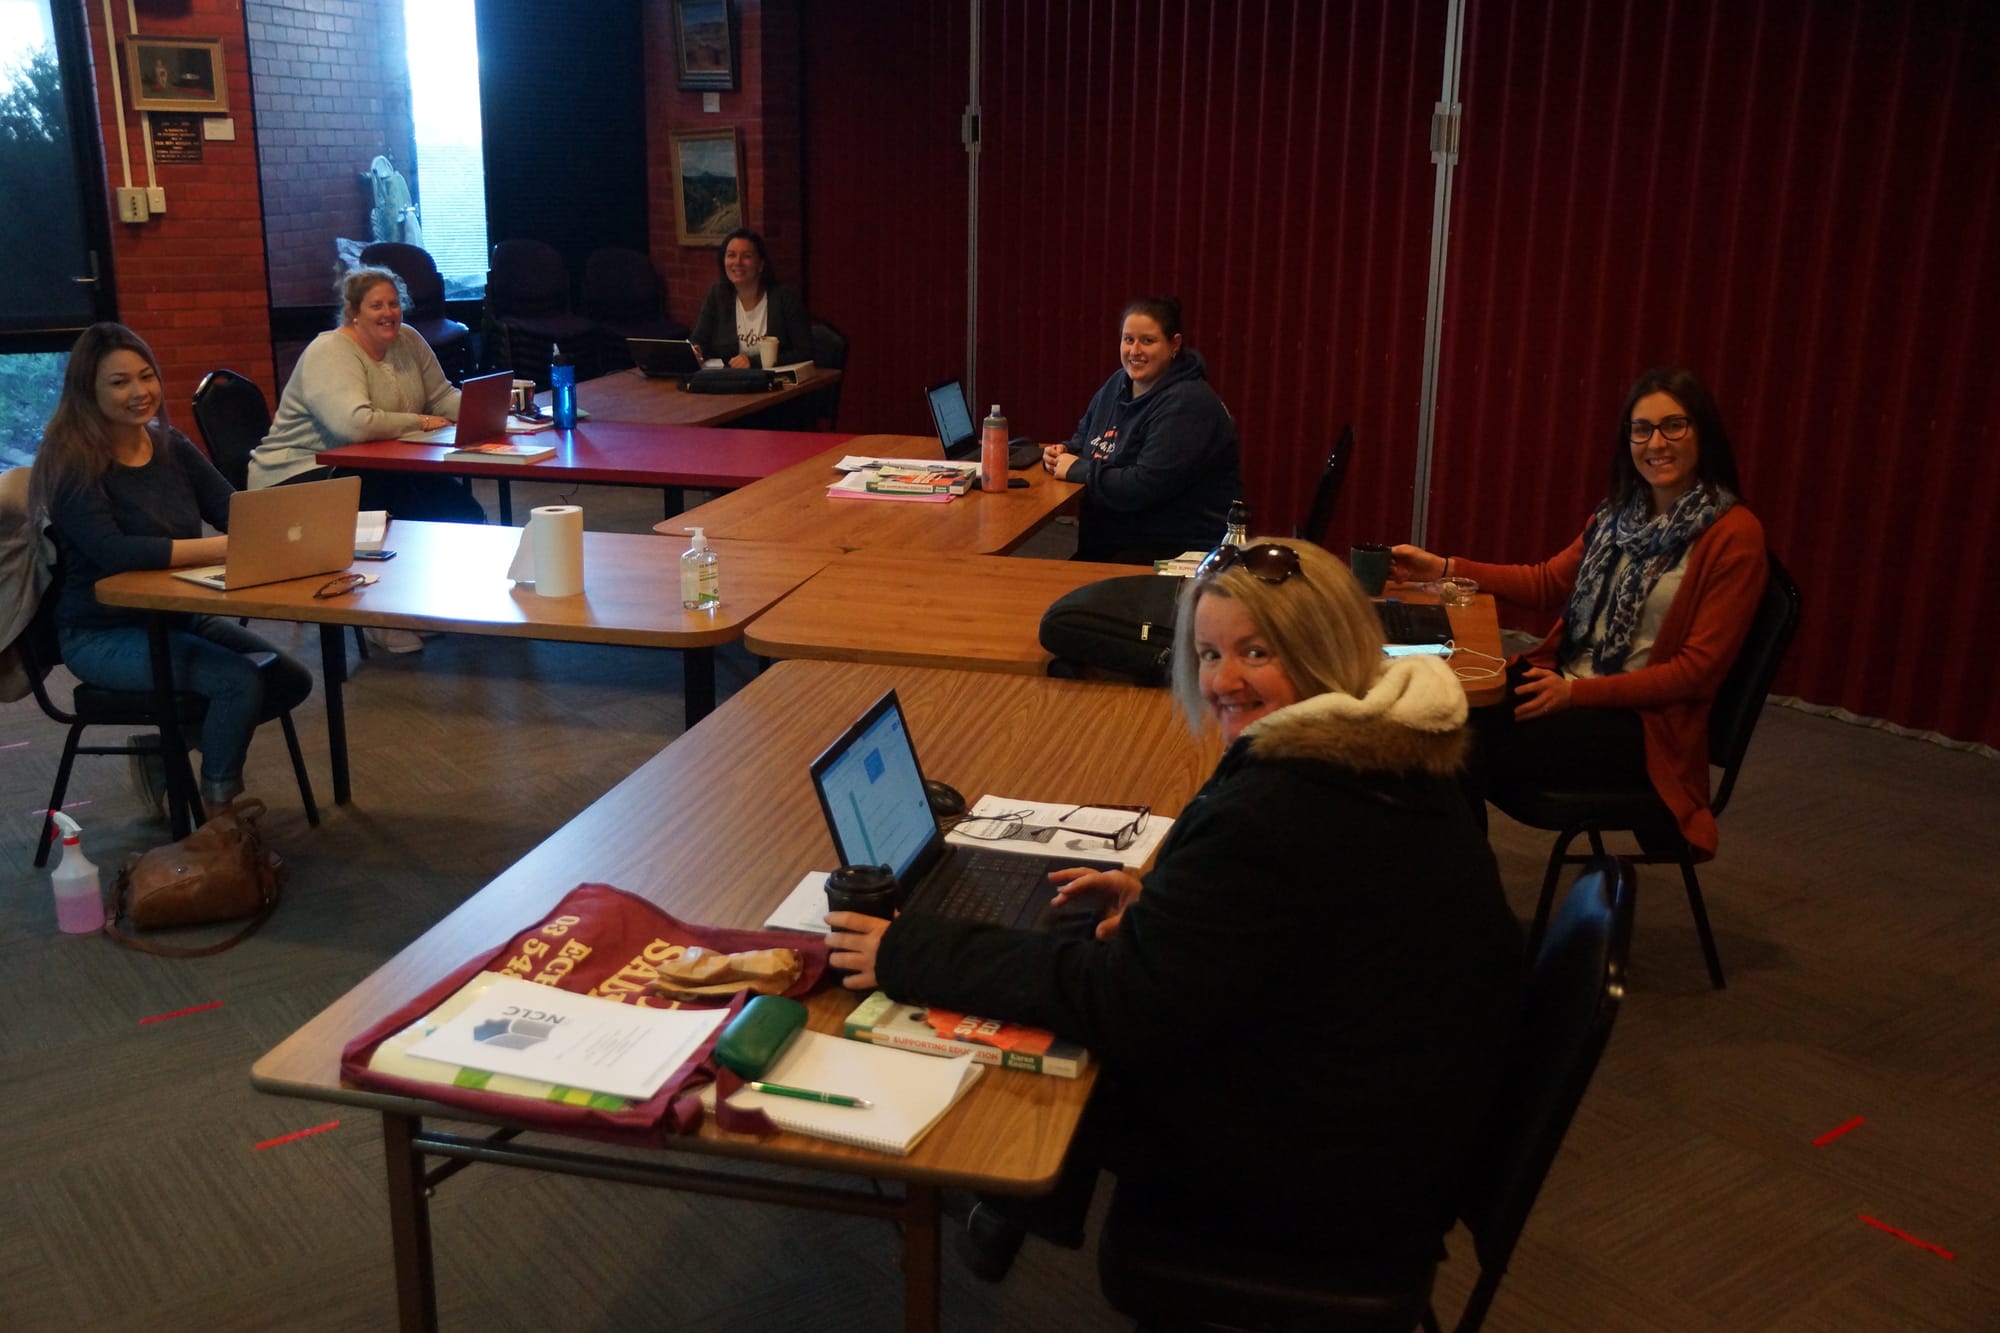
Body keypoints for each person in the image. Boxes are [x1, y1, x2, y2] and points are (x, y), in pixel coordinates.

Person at [827, 538, 1524, 1281]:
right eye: (1207, 654)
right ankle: (1016, 1212)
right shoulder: (1388, 750)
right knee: (1065, 954)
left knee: (1042, 1059)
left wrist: (906, 951)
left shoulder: (1284, 805)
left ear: (1323, 650)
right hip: (1394, 1117)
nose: (1223, 679)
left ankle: (1003, 1195)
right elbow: (1302, 921)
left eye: (1257, 652)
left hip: (1327, 1180)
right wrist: (1165, 901)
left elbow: (1121, 999)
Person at [1391, 366, 1767, 857]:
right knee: (1429, 723)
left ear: (1703, 433)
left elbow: (1695, 674)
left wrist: (1576, 694)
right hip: (1567, 688)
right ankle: (1449, 896)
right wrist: (1443, 566)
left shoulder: (1734, 536)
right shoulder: (1618, 515)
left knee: (1453, 754)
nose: (1656, 443)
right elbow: (1547, 581)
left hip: (1641, 728)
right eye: (1641, 429)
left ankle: (1459, 905)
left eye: (1674, 426)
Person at [28, 323, 313, 814]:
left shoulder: (169, 443)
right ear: (87, 391)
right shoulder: (71, 461)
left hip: (176, 613)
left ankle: (166, 749)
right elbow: (114, 552)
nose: (140, 393)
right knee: (237, 682)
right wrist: (221, 549)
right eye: (119, 383)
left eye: (146, 376)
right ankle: (218, 811)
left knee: (288, 679)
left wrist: (293, 531)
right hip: (100, 632)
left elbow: (233, 510)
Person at [250, 266, 486, 650]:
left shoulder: (408, 339)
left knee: (453, 504)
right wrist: (421, 421)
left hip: (376, 463)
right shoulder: (330, 351)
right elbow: (354, 426)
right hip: (299, 472)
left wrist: (488, 408)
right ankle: (377, 615)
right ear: (353, 312)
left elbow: (442, 396)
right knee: (393, 494)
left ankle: (419, 603)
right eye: (376, 305)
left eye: (394, 304)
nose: (388, 313)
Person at [1042, 295, 1243, 565]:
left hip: (1172, 549)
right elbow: (1086, 437)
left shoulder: (1188, 403)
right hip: (1117, 539)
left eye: (1148, 341)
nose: (1135, 351)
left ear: (1174, 345)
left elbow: (1144, 486)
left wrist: (1079, 469)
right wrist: (1066, 451)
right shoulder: (1118, 383)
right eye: (1128, 340)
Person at [686, 228, 815, 368]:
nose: (737, 262)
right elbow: (699, 339)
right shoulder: (716, 294)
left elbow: (805, 351)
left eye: (747, 256)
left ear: (760, 264)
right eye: (731, 255)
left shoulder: (784, 298)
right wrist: (695, 350)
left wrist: (754, 362)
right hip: (728, 381)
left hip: (774, 383)